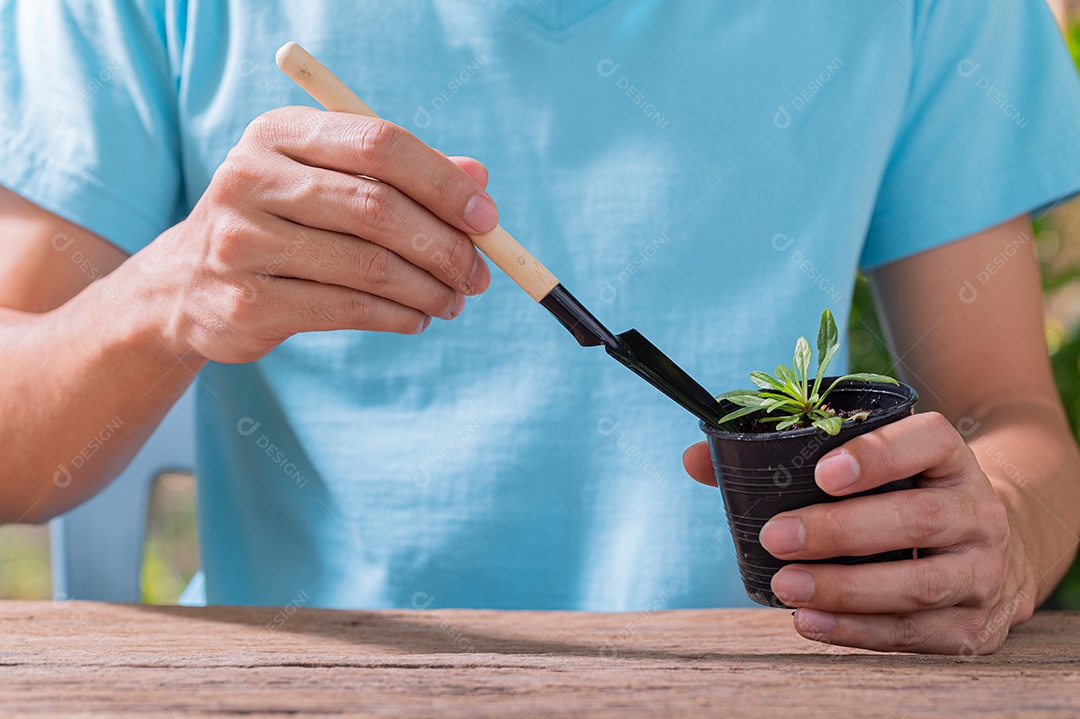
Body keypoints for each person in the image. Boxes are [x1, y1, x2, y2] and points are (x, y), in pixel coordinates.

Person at [2, 1, 1079, 655]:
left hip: (768, 673)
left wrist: (1004, 532)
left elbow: (1010, 415)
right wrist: (169, 294)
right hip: (313, 676)